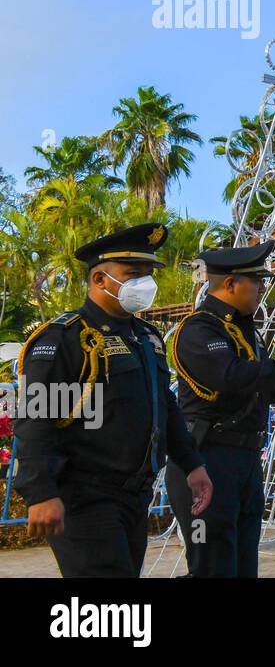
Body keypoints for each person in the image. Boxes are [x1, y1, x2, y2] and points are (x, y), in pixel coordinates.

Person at [13, 222, 213, 577]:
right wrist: (40, 491)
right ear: (100, 280)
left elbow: (164, 406)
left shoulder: (146, 337)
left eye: (147, 274)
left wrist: (192, 464)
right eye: (133, 274)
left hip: (134, 495)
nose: (144, 284)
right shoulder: (68, 338)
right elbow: (36, 417)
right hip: (85, 497)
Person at [164, 239, 275, 577]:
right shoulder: (199, 330)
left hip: (243, 460)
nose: (262, 289)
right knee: (211, 566)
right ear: (230, 284)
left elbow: (261, 390)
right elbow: (231, 377)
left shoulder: (246, 332)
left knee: (242, 566)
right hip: (207, 460)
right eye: (256, 281)